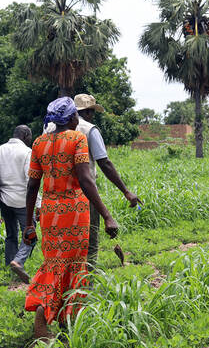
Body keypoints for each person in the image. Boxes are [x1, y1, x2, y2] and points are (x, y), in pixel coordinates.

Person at [24, 97, 118, 340]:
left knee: (54, 265)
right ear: (72, 118)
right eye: (76, 115)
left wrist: (28, 223)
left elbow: (33, 185)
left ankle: (54, 321)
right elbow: (86, 180)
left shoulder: (39, 143)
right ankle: (65, 320)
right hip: (74, 213)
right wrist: (107, 215)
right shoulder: (77, 139)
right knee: (75, 266)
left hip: (49, 213)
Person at [48, 93, 141, 266]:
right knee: (90, 242)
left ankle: (67, 283)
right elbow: (104, 163)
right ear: (88, 112)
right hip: (84, 192)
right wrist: (126, 192)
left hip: (55, 194)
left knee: (64, 242)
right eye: (92, 112)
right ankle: (87, 285)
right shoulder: (90, 129)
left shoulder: (49, 129)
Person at [0, 125, 40, 283]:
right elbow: (31, 181)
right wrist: (38, 204)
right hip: (22, 200)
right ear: (26, 135)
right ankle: (19, 261)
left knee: (11, 234)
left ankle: (11, 267)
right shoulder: (27, 152)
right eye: (30, 136)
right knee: (31, 234)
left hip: (3, 199)